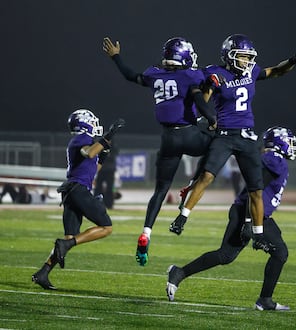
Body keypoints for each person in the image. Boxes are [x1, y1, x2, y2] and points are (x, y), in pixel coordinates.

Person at [169, 34, 296, 250]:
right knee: (207, 176)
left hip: (246, 136)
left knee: (256, 189)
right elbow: (201, 103)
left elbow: (276, 71)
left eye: (248, 57)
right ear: (229, 55)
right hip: (225, 134)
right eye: (242, 56)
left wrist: (293, 60)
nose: (246, 61)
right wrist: (209, 85)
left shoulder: (252, 71)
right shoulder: (214, 72)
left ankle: (258, 234)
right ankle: (182, 217)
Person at [103, 36, 217, 266]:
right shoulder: (190, 75)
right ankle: (193, 184)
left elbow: (129, 75)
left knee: (160, 191)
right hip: (190, 135)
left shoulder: (154, 74)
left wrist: (116, 56)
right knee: (220, 142)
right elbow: (200, 100)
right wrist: (212, 118)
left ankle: (146, 232)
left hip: (168, 139)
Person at [166, 126, 296, 311]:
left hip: (254, 215)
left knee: (226, 255)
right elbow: (254, 194)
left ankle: (179, 272)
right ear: (279, 143)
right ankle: (264, 300)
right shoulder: (274, 160)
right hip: (249, 214)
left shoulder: (274, 160)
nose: (292, 145)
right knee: (279, 252)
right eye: (289, 141)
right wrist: (249, 223)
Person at [32, 109, 125, 290]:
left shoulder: (82, 140)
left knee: (70, 237)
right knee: (106, 228)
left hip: (71, 191)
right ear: (84, 123)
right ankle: (66, 245)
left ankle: (43, 273)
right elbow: (89, 153)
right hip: (77, 190)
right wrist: (107, 136)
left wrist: (103, 156)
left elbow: (92, 169)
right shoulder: (82, 139)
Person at [94, 137, 120, 209]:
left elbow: (113, 155)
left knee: (109, 188)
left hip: (110, 170)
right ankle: (96, 203)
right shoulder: (101, 146)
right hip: (101, 169)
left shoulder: (114, 147)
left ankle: (109, 204)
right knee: (98, 187)